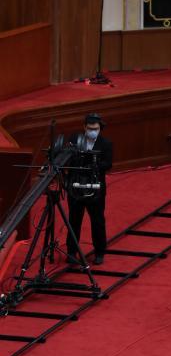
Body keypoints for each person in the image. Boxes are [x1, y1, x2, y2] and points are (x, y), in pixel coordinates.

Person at [66, 112, 113, 265]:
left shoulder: (105, 144)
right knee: (74, 220)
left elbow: (108, 164)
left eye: (96, 129)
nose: (93, 131)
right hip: (76, 186)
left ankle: (99, 252)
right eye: (90, 128)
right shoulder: (75, 139)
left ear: (100, 129)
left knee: (97, 220)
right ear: (84, 127)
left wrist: (95, 166)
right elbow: (67, 158)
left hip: (95, 187)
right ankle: (71, 251)